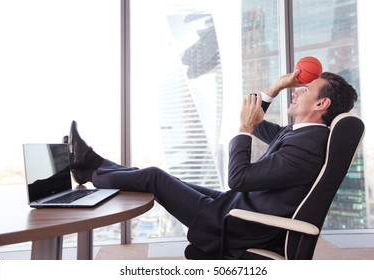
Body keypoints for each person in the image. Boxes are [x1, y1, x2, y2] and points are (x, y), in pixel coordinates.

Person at [66, 70, 358, 258]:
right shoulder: (301, 135)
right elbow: (258, 125)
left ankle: (90, 168)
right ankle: (94, 163)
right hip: (236, 206)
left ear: (322, 105)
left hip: (237, 224)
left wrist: (243, 130)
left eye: (305, 91)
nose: (296, 91)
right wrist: (277, 86)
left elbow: (239, 178)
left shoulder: (306, 146)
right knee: (163, 176)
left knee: (154, 176)